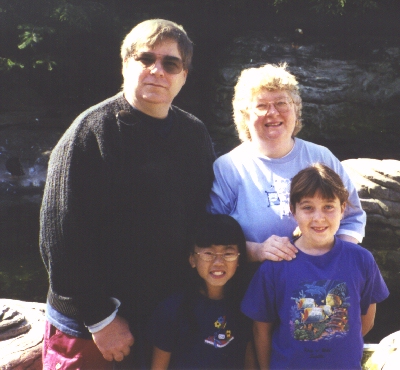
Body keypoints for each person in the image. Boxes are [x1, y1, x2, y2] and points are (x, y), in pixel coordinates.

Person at [39, 19, 215, 369]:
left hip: (163, 318)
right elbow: (59, 239)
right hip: (92, 328)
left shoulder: (193, 135)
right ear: (125, 65)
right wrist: (101, 319)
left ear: (183, 75)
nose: (157, 70)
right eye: (145, 58)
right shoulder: (90, 133)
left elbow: (202, 220)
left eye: (171, 63)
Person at [207, 63, 366, 263]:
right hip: (254, 281)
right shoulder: (228, 167)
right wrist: (257, 251)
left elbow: (353, 217)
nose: (273, 112)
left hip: (318, 280)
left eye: (281, 103)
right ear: (245, 116)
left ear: (295, 109)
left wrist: (338, 259)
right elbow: (212, 233)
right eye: (262, 106)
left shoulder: (321, 157)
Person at [241, 163, 389, 370]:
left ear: (342, 209)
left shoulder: (362, 260)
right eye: (308, 207)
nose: (318, 217)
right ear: (293, 210)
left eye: (328, 206)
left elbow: (366, 321)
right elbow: (261, 330)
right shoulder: (275, 266)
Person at [149, 214, 256, 369]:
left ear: (239, 259)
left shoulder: (245, 305)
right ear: (192, 259)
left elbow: (249, 363)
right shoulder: (172, 310)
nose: (218, 262)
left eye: (228, 253)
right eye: (208, 254)